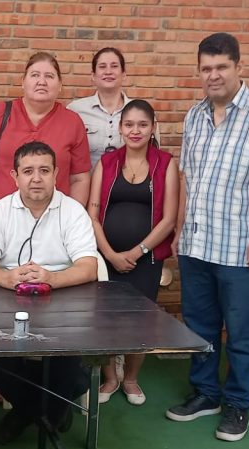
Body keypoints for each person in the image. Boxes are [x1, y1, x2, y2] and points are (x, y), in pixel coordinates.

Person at [168, 32, 249, 442]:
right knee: (199, 327)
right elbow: (188, 178)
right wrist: (180, 230)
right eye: (206, 68)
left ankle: (238, 404)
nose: (213, 75)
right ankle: (206, 394)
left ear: (239, 67)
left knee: (241, 332)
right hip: (197, 244)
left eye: (221, 67)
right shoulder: (194, 115)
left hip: (240, 248)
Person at [0, 141, 99, 444]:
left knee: (67, 358)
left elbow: (88, 267)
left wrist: (51, 278)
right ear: (15, 175)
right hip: (7, 300)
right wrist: (6, 278)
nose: (36, 178)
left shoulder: (73, 212)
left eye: (44, 170)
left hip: (64, 300)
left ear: (56, 173)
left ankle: (24, 414)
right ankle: (50, 409)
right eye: (28, 171)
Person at [87, 100, 178, 406]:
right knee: (106, 318)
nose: (135, 131)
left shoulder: (165, 163)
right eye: (129, 125)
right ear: (120, 128)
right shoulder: (107, 163)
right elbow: (93, 213)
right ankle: (110, 378)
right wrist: (110, 254)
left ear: (153, 128)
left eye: (142, 124)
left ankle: (130, 379)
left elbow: (169, 219)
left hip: (147, 259)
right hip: (107, 256)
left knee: (141, 320)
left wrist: (137, 252)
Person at [0, 52, 90, 234]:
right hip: (4, 220)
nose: (42, 81)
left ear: (60, 85)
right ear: (23, 82)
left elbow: (80, 178)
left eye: (49, 76)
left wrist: (71, 221)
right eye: (35, 75)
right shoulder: (1, 113)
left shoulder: (72, 122)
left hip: (54, 224)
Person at [68, 47, 160, 169]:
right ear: (93, 75)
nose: (108, 71)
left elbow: (154, 154)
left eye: (114, 66)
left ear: (124, 74)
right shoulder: (75, 110)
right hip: (87, 180)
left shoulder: (142, 111)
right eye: (102, 67)